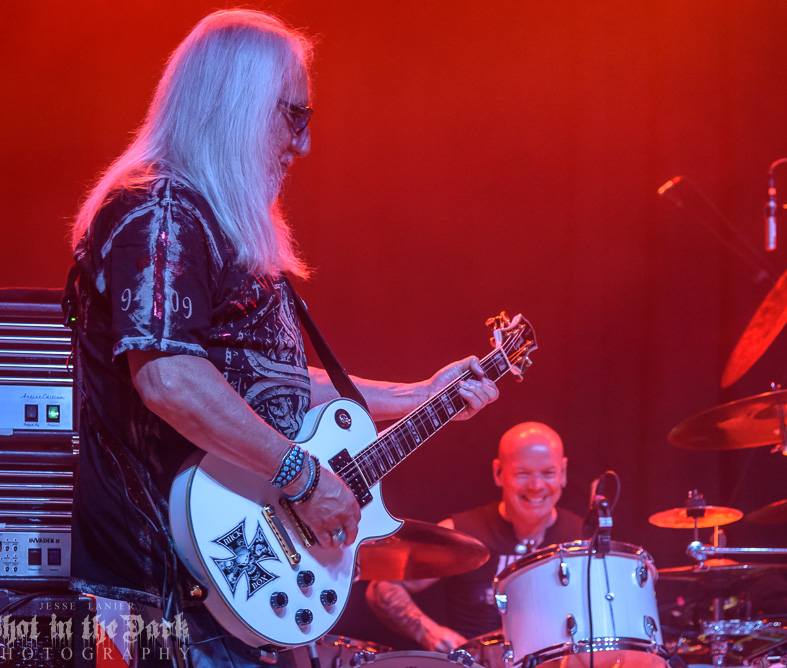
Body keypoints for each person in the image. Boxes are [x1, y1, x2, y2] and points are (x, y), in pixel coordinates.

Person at [64, 10, 498, 667]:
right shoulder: (161, 213)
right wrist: (300, 475)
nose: (303, 145)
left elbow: (275, 391)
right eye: (295, 116)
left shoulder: (219, 224)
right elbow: (169, 378)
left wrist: (421, 392)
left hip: (228, 584)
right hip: (162, 587)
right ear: (236, 105)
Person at [365, 422, 581, 652]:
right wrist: (428, 631)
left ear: (563, 472)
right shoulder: (462, 532)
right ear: (499, 472)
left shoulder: (582, 537)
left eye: (548, 473)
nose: (536, 486)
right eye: (523, 473)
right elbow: (382, 587)